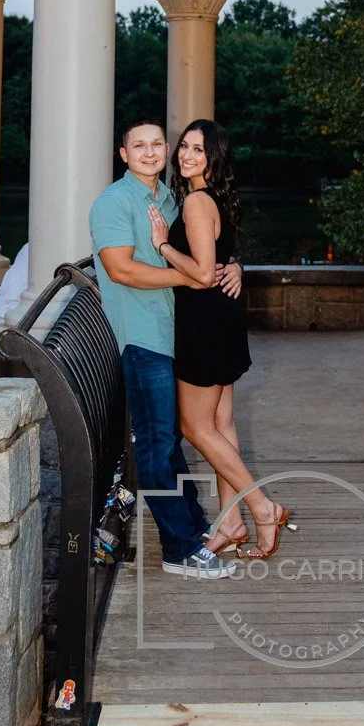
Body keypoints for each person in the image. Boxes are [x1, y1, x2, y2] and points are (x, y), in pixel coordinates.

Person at [90, 117, 243, 580]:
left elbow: (208, 245)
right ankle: (179, 549)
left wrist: (231, 266)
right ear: (123, 154)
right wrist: (199, 275)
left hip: (178, 333)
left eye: (159, 143)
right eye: (140, 145)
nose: (152, 152)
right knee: (157, 444)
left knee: (171, 438)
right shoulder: (112, 203)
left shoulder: (172, 199)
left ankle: (194, 527)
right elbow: (122, 270)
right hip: (142, 337)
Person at [149, 119, 294, 562]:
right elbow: (223, 258)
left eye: (198, 149)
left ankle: (262, 508)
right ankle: (231, 522)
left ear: (213, 157)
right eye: (184, 148)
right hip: (223, 320)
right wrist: (235, 266)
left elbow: (202, 271)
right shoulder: (219, 199)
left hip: (204, 324)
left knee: (196, 427)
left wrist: (162, 246)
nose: (187, 155)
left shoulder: (194, 202)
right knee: (223, 424)